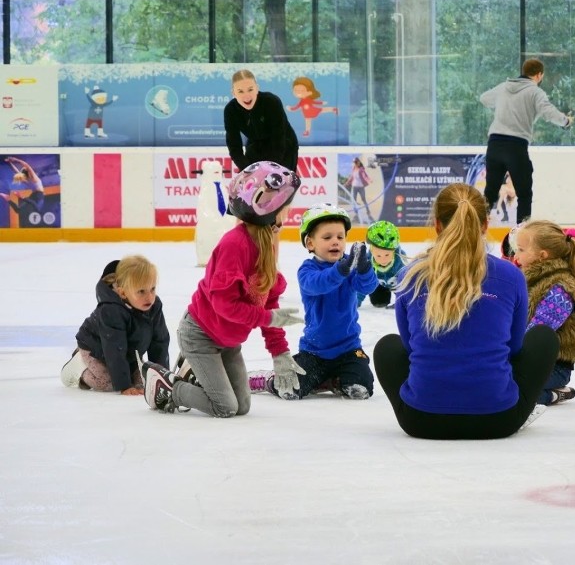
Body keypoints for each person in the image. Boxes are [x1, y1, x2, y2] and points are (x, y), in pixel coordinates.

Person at [373, 183, 559, 440]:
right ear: (485, 225)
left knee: (388, 347)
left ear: (437, 225)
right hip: (498, 420)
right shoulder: (510, 276)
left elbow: (408, 346)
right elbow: (515, 348)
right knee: (543, 337)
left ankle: (433, 396)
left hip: (420, 420)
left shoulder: (410, 276)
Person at [140, 161, 305, 416]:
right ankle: (168, 387)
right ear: (267, 209)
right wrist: (266, 318)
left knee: (243, 407)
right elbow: (224, 305)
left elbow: (268, 302)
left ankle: (196, 373)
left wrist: (280, 353)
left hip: (228, 341)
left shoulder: (268, 243)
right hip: (201, 336)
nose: (289, 213)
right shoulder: (235, 245)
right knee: (225, 407)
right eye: (286, 207)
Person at [261, 203, 378, 400]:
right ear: (310, 244)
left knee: (361, 386)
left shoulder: (349, 265)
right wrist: (341, 270)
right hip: (314, 352)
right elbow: (320, 284)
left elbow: (367, 287)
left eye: (340, 237)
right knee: (290, 389)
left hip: (348, 350)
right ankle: (269, 380)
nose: (336, 242)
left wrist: (365, 269)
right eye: (327, 237)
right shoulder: (307, 270)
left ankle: (331, 380)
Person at [513, 220, 575, 405]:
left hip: (553, 368)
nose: (515, 255)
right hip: (524, 359)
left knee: (508, 390)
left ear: (542, 256)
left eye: (521, 249)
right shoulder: (527, 279)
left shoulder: (560, 290)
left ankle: (553, 394)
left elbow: (535, 334)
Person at [479, 58, 573, 223]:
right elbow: (548, 111)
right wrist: (565, 121)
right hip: (515, 146)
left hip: (494, 144)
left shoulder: (504, 87)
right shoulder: (535, 92)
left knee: (490, 192)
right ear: (539, 75)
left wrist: (503, 104)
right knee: (524, 194)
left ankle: (475, 227)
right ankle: (520, 235)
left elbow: (484, 99)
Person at [60, 255, 169, 395]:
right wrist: (124, 386)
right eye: (141, 291)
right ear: (122, 293)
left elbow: (159, 341)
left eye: (152, 289)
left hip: (128, 351)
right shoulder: (111, 311)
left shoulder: (154, 307)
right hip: (96, 349)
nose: (149, 297)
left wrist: (161, 377)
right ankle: (79, 369)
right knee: (107, 383)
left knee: (143, 382)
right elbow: (114, 348)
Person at [224, 69, 299, 172]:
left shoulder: (271, 102)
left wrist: (270, 169)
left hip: (284, 145)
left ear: (257, 88)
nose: (246, 96)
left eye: (250, 89)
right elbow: (234, 145)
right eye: (240, 91)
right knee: (254, 184)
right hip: (255, 145)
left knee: (278, 184)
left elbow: (278, 138)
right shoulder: (230, 110)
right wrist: (246, 169)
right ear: (234, 93)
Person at [357, 220, 407, 308]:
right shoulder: (367, 262)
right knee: (379, 302)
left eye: (387, 254)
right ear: (372, 252)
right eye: (378, 255)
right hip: (378, 283)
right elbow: (364, 283)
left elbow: (406, 286)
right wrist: (356, 301)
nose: (383, 259)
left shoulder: (401, 263)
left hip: (395, 285)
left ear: (394, 251)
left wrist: (402, 302)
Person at [343, 157, 375, 223]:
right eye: (354, 162)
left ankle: (368, 211)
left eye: (356, 162)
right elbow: (351, 177)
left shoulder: (361, 169)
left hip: (361, 187)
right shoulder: (354, 169)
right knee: (353, 200)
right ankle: (356, 212)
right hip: (354, 187)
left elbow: (364, 176)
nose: (355, 163)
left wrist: (369, 180)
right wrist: (346, 183)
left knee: (363, 199)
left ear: (358, 162)